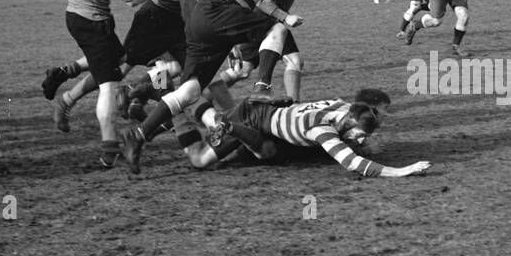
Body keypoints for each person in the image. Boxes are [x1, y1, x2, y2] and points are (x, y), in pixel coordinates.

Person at [120, 0, 292, 174]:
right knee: (275, 26)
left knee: (187, 90)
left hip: (201, 24)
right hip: (195, 16)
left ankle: (138, 135)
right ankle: (260, 90)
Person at [51, 0, 167, 167]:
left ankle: (65, 81)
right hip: (94, 23)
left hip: (76, 15)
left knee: (120, 60)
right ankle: (109, 148)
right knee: (109, 85)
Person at [180, 87, 430, 177]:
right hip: (250, 118)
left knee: (262, 149)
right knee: (199, 159)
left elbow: (363, 113)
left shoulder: (343, 106)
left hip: (266, 115)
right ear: (350, 120)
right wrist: (400, 171)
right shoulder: (320, 130)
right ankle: (175, 106)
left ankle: (198, 98)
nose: (361, 139)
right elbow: (353, 164)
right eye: (359, 133)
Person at [215, 0, 320, 102]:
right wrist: (286, 17)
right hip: (260, 24)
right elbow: (264, 2)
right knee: (290, 61)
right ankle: (292, 105)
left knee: (243, 70)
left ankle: (203, 97)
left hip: (268, 24)